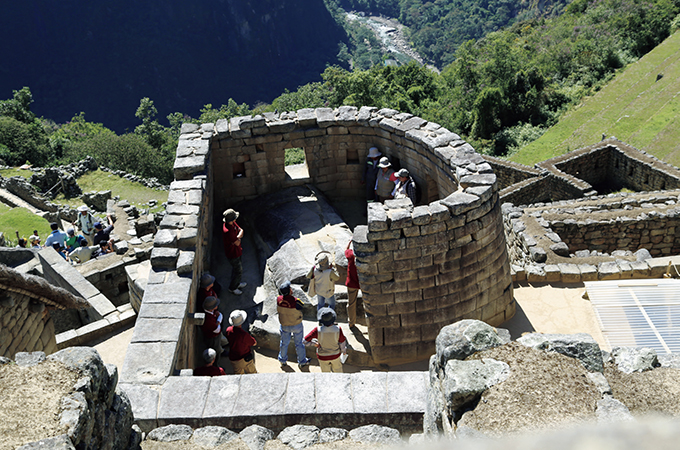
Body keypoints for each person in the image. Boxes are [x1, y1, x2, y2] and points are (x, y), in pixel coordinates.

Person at [277, 281, 311, 368]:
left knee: (284, 343)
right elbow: (301, 306)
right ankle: (302, 361)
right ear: (290, 291)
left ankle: (282, 360)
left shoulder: (278, 299)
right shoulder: (296, 301)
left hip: (284, 324)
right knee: (299, 343)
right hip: (296, 324)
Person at [304, 307, 347, 373]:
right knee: (338, 372)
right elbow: (342, 342)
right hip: (335, 355)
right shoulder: (338, 329)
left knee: (325, 373)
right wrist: (343, 351)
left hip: (322, 356)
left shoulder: (317, 330)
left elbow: (304, 341)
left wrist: (314, 344)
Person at [222, 208, 247, 295]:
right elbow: (237, 242)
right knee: (238, 271)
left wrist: (239, 236)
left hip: (237, 251)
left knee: (236, 270)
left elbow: (241, 229)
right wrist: (239, 236)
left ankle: (236, 283)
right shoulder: (228, 231)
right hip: (233, 254)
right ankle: (233, 288)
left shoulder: (231, 224)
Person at [225, 309, 258, 374]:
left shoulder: (228, 330)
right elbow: (254, 343)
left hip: (233, 358)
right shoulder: (244, 335)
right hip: (245, 359)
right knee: (253, 373)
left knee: (238, 375)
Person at [201, 296, 228, 366]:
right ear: (211, 308)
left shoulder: (211, 311)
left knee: (221, 341)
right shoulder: (208, 320)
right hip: (212, 338)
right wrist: (218, 321)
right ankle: (216, 365)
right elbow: (217, 330)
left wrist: (217, 322)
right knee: (216, 351)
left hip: (216, 335)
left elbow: (220, 315)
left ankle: (222, 349)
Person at [345, 240, 361, 328]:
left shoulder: (351, 255)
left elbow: (346, 250)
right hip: (363, 282)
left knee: (351, 303)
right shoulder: (363, 256)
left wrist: (349, 241)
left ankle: (351, 322)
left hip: (351, 283)